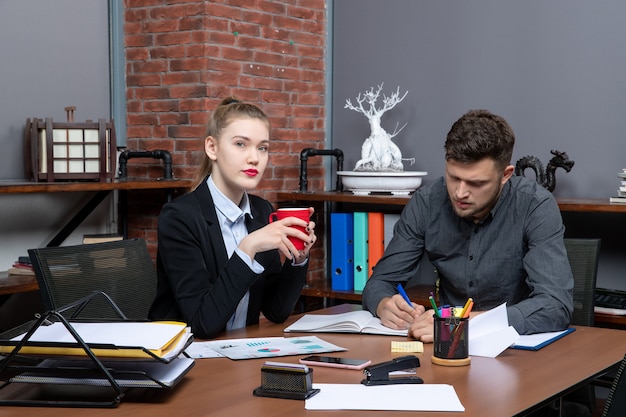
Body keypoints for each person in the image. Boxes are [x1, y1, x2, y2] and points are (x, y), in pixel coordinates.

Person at [362, 109, 574, 343]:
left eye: (476, 183)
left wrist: (465, 323)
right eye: (453, 178)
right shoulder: (426, 203)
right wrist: (384, 304)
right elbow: (379, 282)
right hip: (445, 352)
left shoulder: (535, 205)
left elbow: (555, 306)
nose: (460, 192)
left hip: (517, 352)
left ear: (506, 174)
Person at [149, 97, 316, 339]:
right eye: (240, 144)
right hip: (185, 359)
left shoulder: (260, 210)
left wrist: (298, 258)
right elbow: (202, 324)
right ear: (212, 148)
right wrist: (248, 246)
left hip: (235, 353)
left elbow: (276, 311)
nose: (254, 158)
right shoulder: (179, 217)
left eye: (263, 148)